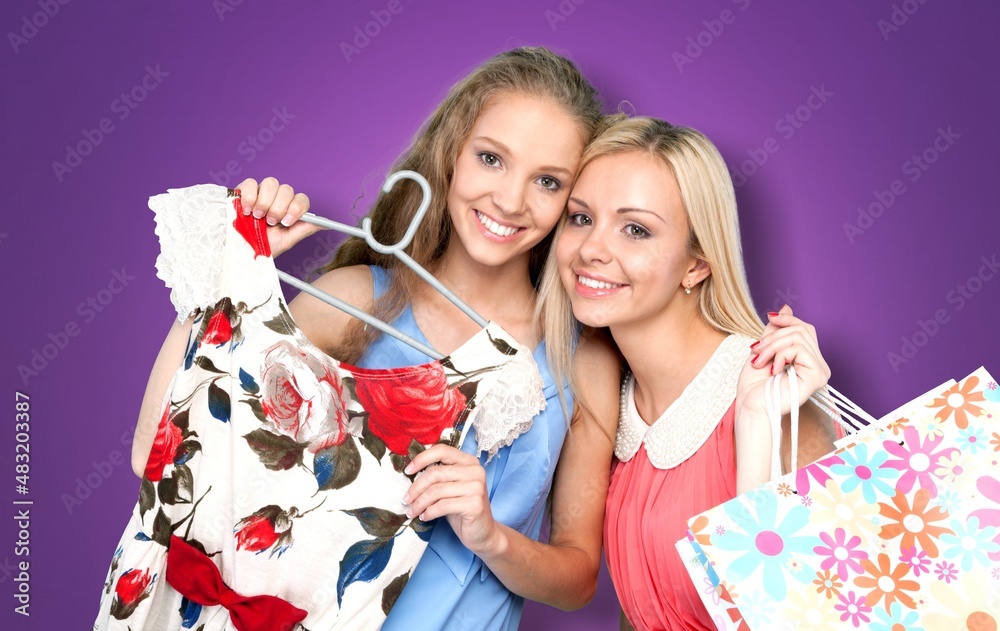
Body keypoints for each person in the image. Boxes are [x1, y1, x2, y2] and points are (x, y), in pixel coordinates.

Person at [127, 47, 622, 630]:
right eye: (491, 159)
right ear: (451, 155)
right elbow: (155, 455)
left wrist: (491, 537)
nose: (511, 201)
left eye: (547, 181)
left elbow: (577, 579)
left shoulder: (580, 358)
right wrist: (227, 275)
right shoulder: (357, 299)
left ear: (573, 199)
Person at [544, 114, 839, 630]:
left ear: (697, 264)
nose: (592, 249)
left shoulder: (775, 396)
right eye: (581, 217)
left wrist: (756, 427)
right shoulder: (611, 399)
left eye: (635, 229)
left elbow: (805, 616)